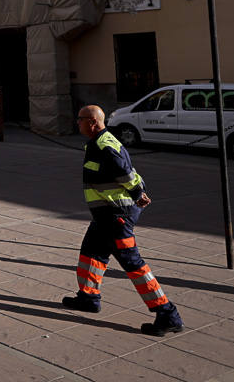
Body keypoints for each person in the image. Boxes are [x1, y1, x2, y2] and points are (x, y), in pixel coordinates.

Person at [62, 105, 184, 336]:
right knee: (91, 252)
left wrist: (138, 193)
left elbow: (125, 172)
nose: (76, 123)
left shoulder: (104, 145)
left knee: (132, 263)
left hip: (116, 216)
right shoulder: (98, 142)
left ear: (92, 122)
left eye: (79, 119)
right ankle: (88, 297)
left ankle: (168, 314)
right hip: (104, 215)